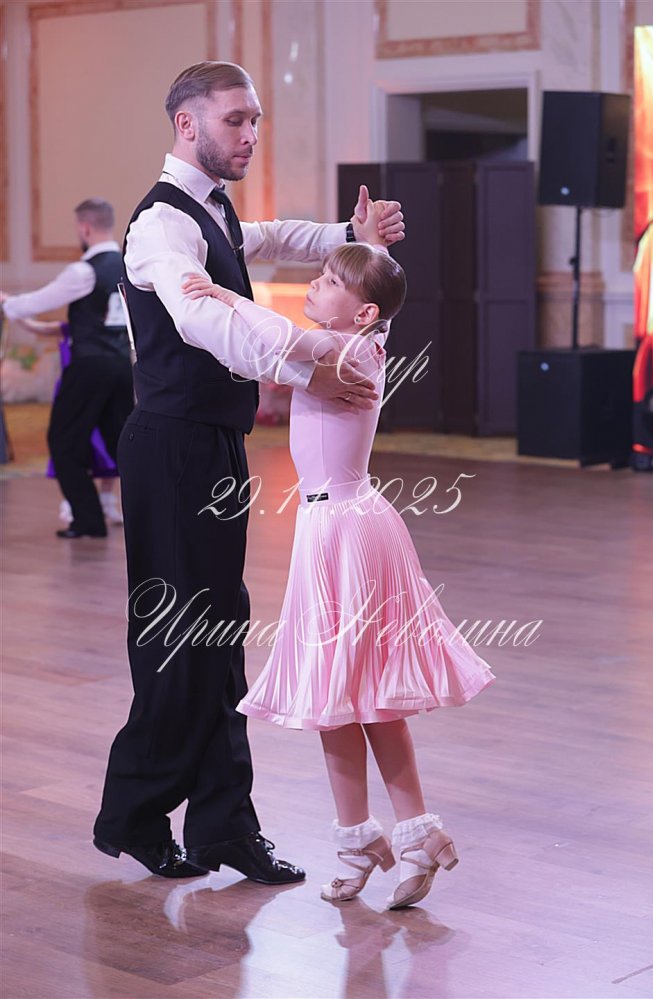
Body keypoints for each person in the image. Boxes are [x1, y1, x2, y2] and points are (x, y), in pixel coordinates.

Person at [92, 60, 405, 882]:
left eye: (256, 119)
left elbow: (271, 238)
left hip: (214, 445)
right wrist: (309, 364)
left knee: (221, 638)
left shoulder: (212, 210)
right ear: (187, 124)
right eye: (236, 119)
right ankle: (134, 811)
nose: (251, 134)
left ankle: (224, 825)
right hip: (170, 447)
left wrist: (348, 237)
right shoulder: (161, 225)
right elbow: (201, 318)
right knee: (178, 639)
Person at [182, 205, 495, 910]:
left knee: (358, 695)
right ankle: (375, 838)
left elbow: (284, 337)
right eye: (319, 276)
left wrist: (224, 293)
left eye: (328, 281)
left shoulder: (349, 352)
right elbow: (329, 318)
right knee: (343, 698)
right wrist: (371, 246)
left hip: (347, 533)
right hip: (334, 527)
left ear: (364, 314)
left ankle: (402, 834)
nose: (314, 286)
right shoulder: (360, 341)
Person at [0, 199, 133, 538]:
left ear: (84, 228)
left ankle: (88, 520)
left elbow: (37, 302)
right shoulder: (129, 265)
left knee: (63, 442)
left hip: (89, 367)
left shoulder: (84, 271)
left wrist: (7, 303)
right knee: (124, 444)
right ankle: (150, 514)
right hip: (122, 366)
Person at [17, 316, 123, 525]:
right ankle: (73, 501)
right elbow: (37, 327)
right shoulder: (72, 327)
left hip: (103, 393)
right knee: (79, 448)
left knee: (109, 446)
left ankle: (107, 499)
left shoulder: (109, 332)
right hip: (77, 394)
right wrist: (12, 308)